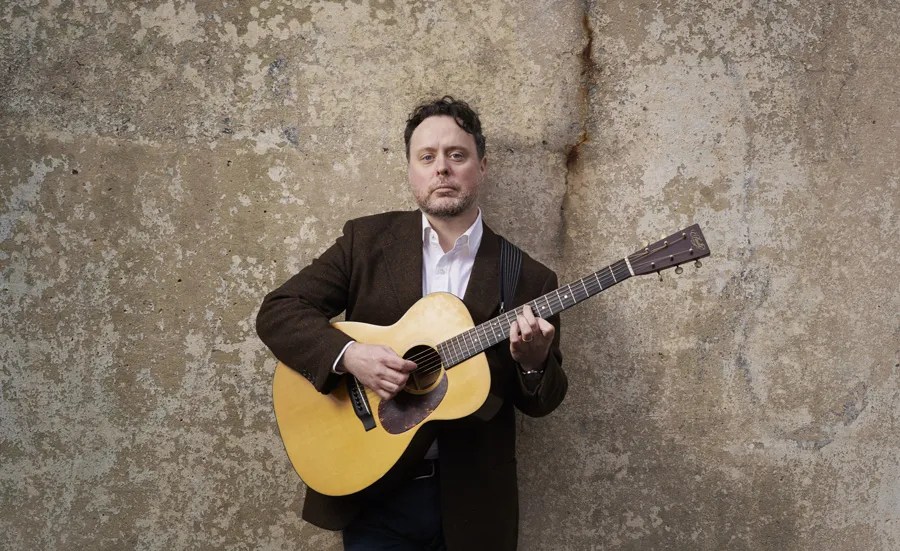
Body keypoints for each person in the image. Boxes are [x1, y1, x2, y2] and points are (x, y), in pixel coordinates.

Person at [256, 96, 568, 550]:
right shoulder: (366, 242)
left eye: (456, 155)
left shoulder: (529, 276)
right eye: (427, 157)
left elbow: (542, 403)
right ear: (411, 170)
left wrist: (534, 363)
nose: (442, 168)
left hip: (473, 504)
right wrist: (350, 357)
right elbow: (280, 310)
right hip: (374, 489)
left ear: (481, 166)